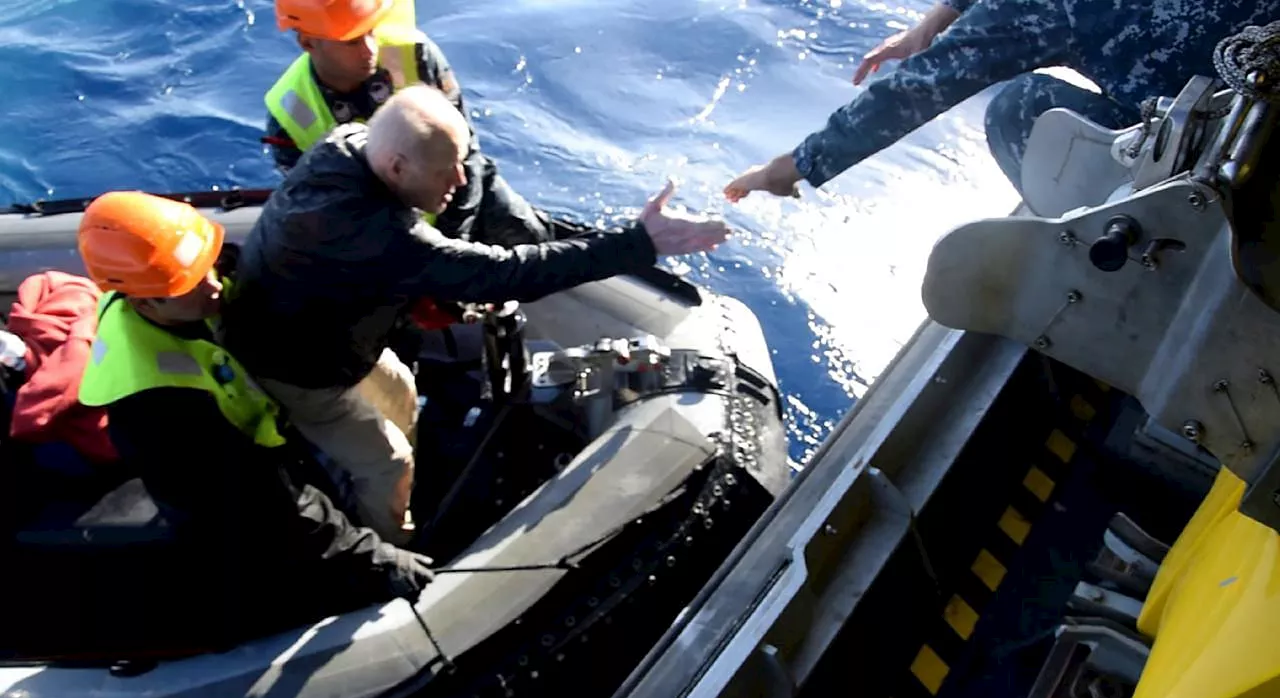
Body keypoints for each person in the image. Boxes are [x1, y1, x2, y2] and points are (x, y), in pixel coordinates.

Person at [221, 83, 729, 547]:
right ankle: (387, 547)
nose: (460, 180)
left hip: (325, 335)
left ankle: (404, 486)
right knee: (387, 462)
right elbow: (504, 274)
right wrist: (639, 243)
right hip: (297, 369)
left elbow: (447, 220)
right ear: (398, 168)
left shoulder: (351, 143)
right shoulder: (372, 233)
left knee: (398, 390)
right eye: (447, 171)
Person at [75, 190, 436, 644]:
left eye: (206, 265)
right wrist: (373, 559)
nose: (212, 284)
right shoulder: (160, 406)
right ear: (146, 304)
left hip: (260, 441)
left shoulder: (179, 280)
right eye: (190, 284)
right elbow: (266, 503)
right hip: (231, 501)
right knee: (285, 569)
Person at [724, 0, 1280, 201]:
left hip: (1231, 151)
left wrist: (792, 167)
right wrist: (940, 17)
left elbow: (916, 90)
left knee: (1020, 108)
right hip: (1262, 78)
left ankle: (1147, 266)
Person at [264, 0, 549, 248]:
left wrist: (453, 240)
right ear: (308, 43)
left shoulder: (414, 53)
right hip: (380, 230)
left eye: (371, 31)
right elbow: (325, 212)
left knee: (531, 236)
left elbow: (465, 154)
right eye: (353, 41)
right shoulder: (290, 114)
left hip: (457, 192)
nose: (369, 50)